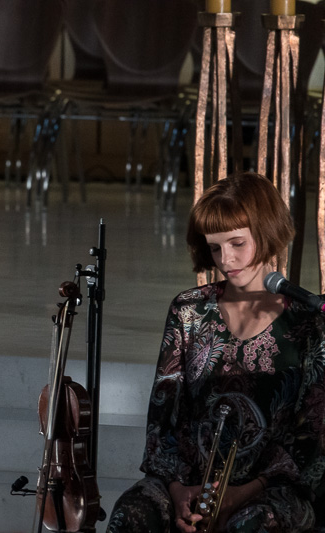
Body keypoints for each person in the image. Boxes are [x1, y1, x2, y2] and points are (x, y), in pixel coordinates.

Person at [106, 172, 325, 532]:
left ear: (267, 232)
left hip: (271, 488)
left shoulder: (308, 320)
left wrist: (239, 495)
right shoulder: (188, 311)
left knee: (251, 524)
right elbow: (163, 418)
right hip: (187, 483)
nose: (226, 259)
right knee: (130, 514)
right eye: (215, 247)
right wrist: (177, 490)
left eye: (237, 243)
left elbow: (310, 436)